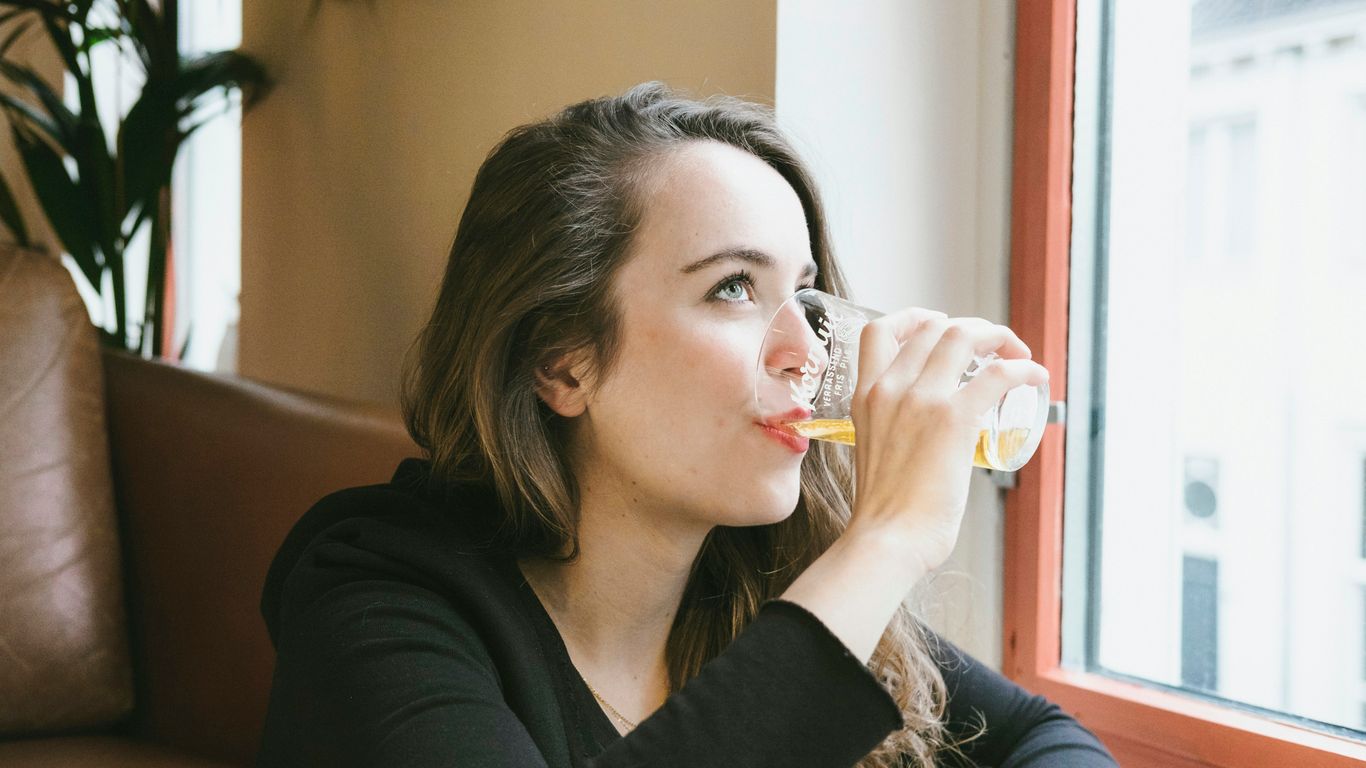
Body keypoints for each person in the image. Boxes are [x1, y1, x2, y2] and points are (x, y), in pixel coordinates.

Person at [256, 82, 1117, 768]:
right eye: (733, 288)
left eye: (806, 298)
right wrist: (885, 539)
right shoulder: (372, 603)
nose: (807, 354)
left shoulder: (755, 579)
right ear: (563, 364)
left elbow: (1043, 738)